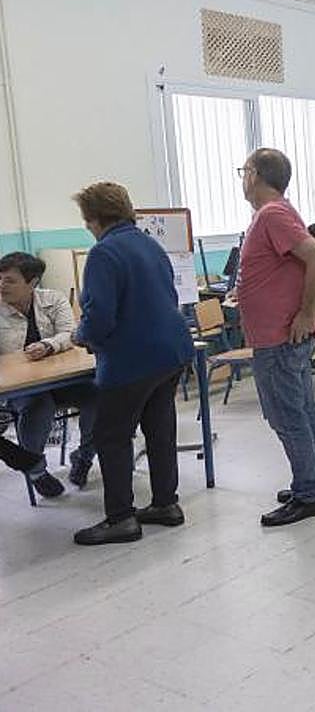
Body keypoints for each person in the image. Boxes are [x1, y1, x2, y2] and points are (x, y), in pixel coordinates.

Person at [69, 182, 193, 545]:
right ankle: (166, 504)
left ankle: (120, 518)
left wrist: (81, 336)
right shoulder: (149, 244)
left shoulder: (104, 253)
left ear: (92, 218)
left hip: (132, 359)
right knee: (159, 429)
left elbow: (100, 316)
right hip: (171, 352)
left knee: (112, 436)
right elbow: (167, 295)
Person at [237, 147, 315, 527]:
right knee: (302, 411)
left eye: (243, 171)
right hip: (279, 333)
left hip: (279, 336)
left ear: (255, 175)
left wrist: (307, 312)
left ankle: (309, 491)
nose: (242, 178)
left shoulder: (273, 214)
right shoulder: (277, 213)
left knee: (286, 414)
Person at [0, 251, 97, 494]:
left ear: (32, 283)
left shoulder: (53, 299)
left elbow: (71, 333)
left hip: (62, 380)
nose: (2, 285)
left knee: (99, 396)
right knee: (39, 404)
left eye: (9, 280)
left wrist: (48, 345)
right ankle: (36, 469)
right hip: (22, 388)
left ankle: (84, 457)